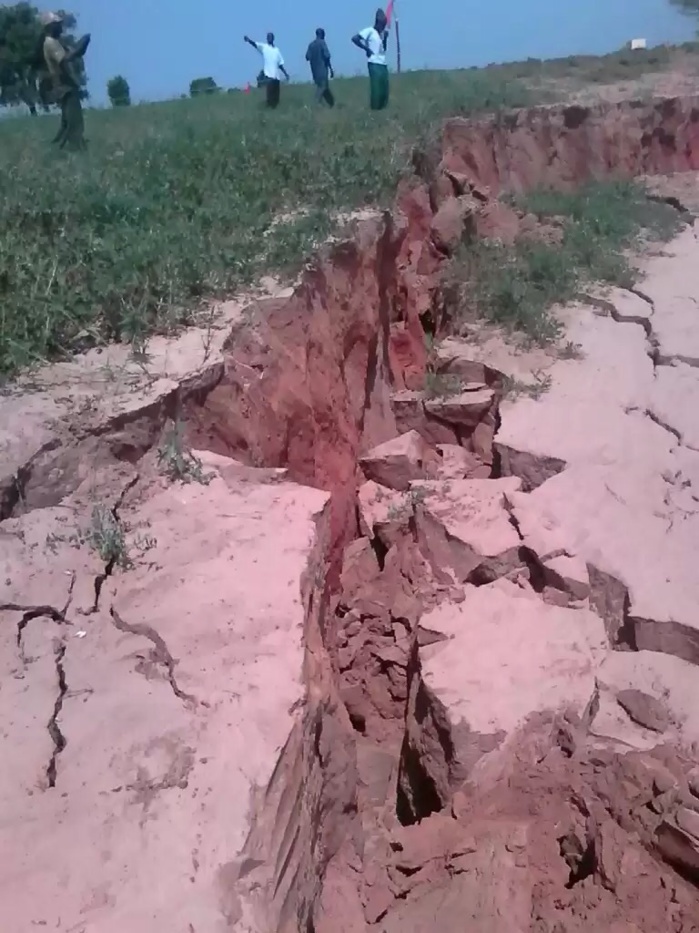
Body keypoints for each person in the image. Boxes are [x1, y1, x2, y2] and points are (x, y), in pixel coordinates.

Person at [40, 11, 90, 151]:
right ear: (50, 27)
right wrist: (81, 47)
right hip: (64, 86)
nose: (61, 26)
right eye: (57, 24)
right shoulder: (51, 43)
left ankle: (56, 150)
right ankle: (74, 150)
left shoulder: (53, 42)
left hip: (63, 86)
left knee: (67, 123)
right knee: (75, 123)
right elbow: (65, 60)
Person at [352, 9, 389, 111]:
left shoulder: (381, 34)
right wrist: (366, 49)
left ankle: (383, 108)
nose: (383, 27)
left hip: (383, 63)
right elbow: (355, 38)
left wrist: (385, 38)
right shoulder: (369, 31)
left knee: (384, 87)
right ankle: (375, 108)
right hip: (374, 63)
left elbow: (383, 49)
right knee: (376, 87)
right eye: (382, 24)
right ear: (378, 22)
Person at [243, 32, 289, 109]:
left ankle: (275, 109)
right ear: (267, 39)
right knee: (270, 96)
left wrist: (285, 73)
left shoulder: (277, 50)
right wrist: (248, 40)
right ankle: (269, 108)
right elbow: (255, 44)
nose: (269, 39)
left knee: (276, 97)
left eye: (271, 37)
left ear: (273, 39)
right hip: (268, 76)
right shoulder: (264, 47)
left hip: (276, 77)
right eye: (268, 37)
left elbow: (280, 64)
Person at [305, 28, 334, 107]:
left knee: (324, 87)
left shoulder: (311, 45)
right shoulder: (322, 43)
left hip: (314, 71)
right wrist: (331, 69)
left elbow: (307, 57)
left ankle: (331, 104)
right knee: (322, 87)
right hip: (322, 70)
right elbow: (327, 56)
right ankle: (317, 102)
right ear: (322, 34)